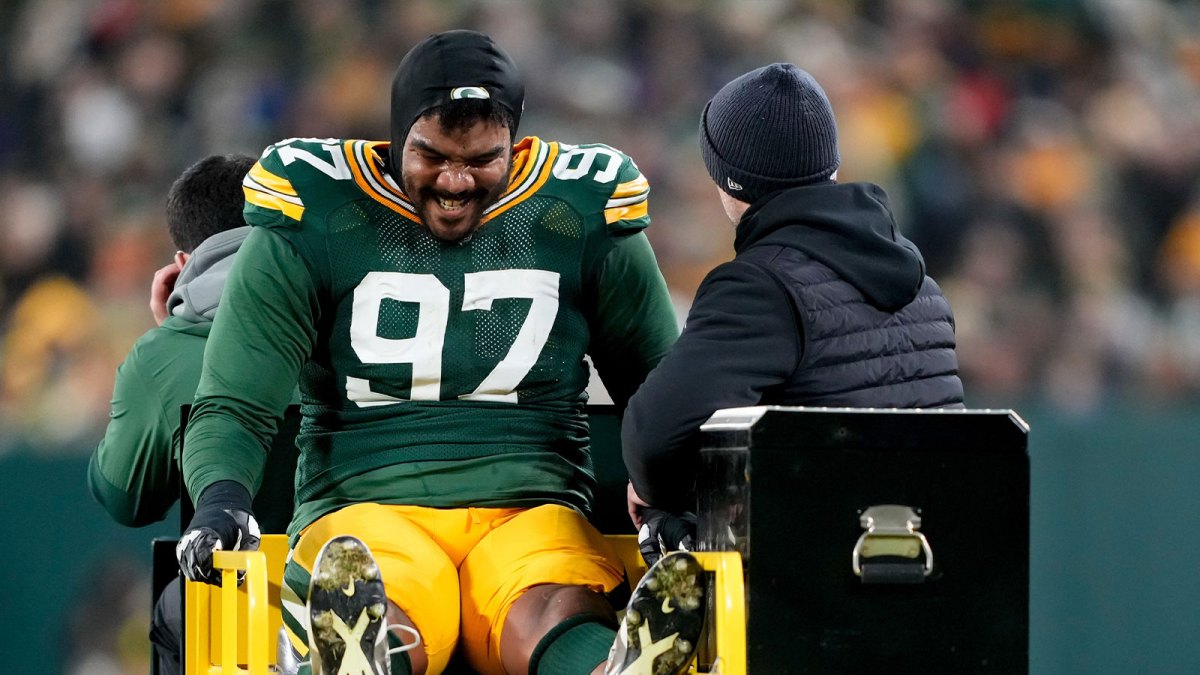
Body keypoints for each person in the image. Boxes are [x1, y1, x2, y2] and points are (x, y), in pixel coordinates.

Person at [175, 30, 705, 675]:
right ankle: (366, 656)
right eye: (430, 155)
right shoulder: (315, 207)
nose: (455, 181)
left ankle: (606, 668)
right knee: (377, 593)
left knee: (549, 600)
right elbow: (237, 395)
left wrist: (673, 494)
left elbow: (654, 383)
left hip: (530, 503)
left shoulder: (577, 211)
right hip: (366, 503)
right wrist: (221, 495)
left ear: (518, 143)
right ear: (396, 136)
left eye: (482, 159)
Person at [622, 63, 965, 549]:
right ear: (831, 162)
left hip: (814, 586)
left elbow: (653, 438)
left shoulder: (758, 286)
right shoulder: (924, 287)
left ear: (726, 178)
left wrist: (664, 495)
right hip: (931, 572)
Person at [87, 153, 300, 675]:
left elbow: (124, 497)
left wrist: (166, 339)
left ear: (182, 265)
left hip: (238, 612)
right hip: (373, 584)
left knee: (171, 607)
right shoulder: (353, 322)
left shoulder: (161, 358)